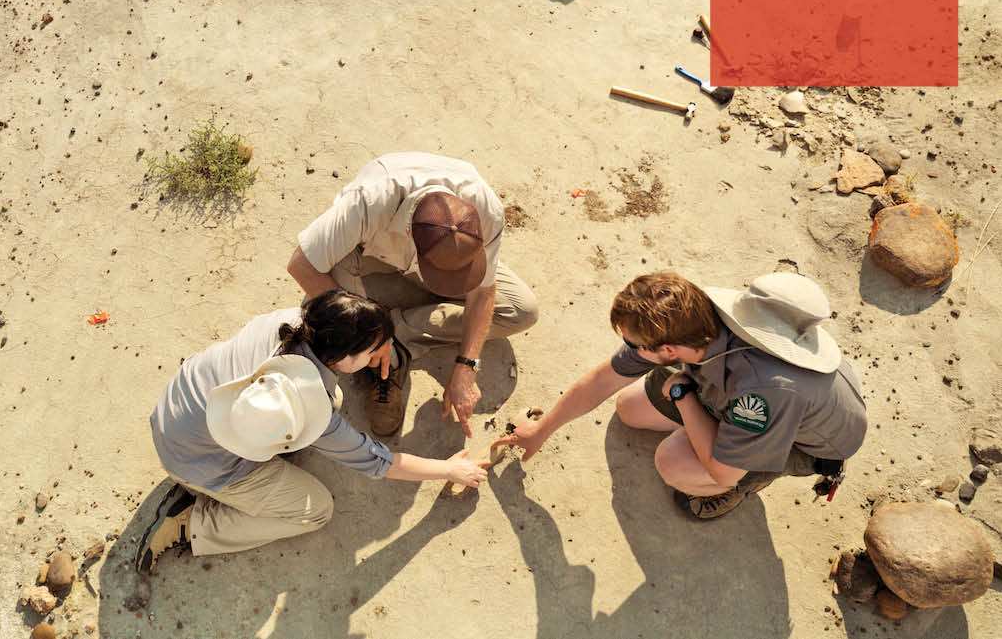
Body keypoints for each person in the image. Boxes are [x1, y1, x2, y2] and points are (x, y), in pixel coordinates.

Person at [138, 289, 491, 572]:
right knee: (315, 510)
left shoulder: (292, 319)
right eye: (372, 352)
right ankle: (189, 523)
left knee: (331, 399)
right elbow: (379, 462)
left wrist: (375, 339)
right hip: (196, 461)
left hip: (176, 410)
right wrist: (450, 469)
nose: (378, 356)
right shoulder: (312, 411)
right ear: (342, 359)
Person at [493, 271, 866, 519]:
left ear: (668, 350)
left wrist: (684, 397)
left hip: (803, 442)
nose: (628, 349)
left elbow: (721, 467)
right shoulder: (699, 315)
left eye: (632, 344)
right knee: (629, 408)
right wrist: (543, 430)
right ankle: (713, 426)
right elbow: (605, 380)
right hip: (735, 389)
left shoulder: (765, 391)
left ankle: (753, 480)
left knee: (675, 463)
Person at [287, 152, 538, 437]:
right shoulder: (369, 201)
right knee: (332, 309)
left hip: (419, 257)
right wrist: (370, 334)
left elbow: (483, 293)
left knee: (522, 311)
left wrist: (467, 365)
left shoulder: (486, 210)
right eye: (444, 275)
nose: (453, 284)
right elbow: (301, 264)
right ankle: (383, 355)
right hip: (367, 254)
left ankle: (400, 340)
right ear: (408, 233)